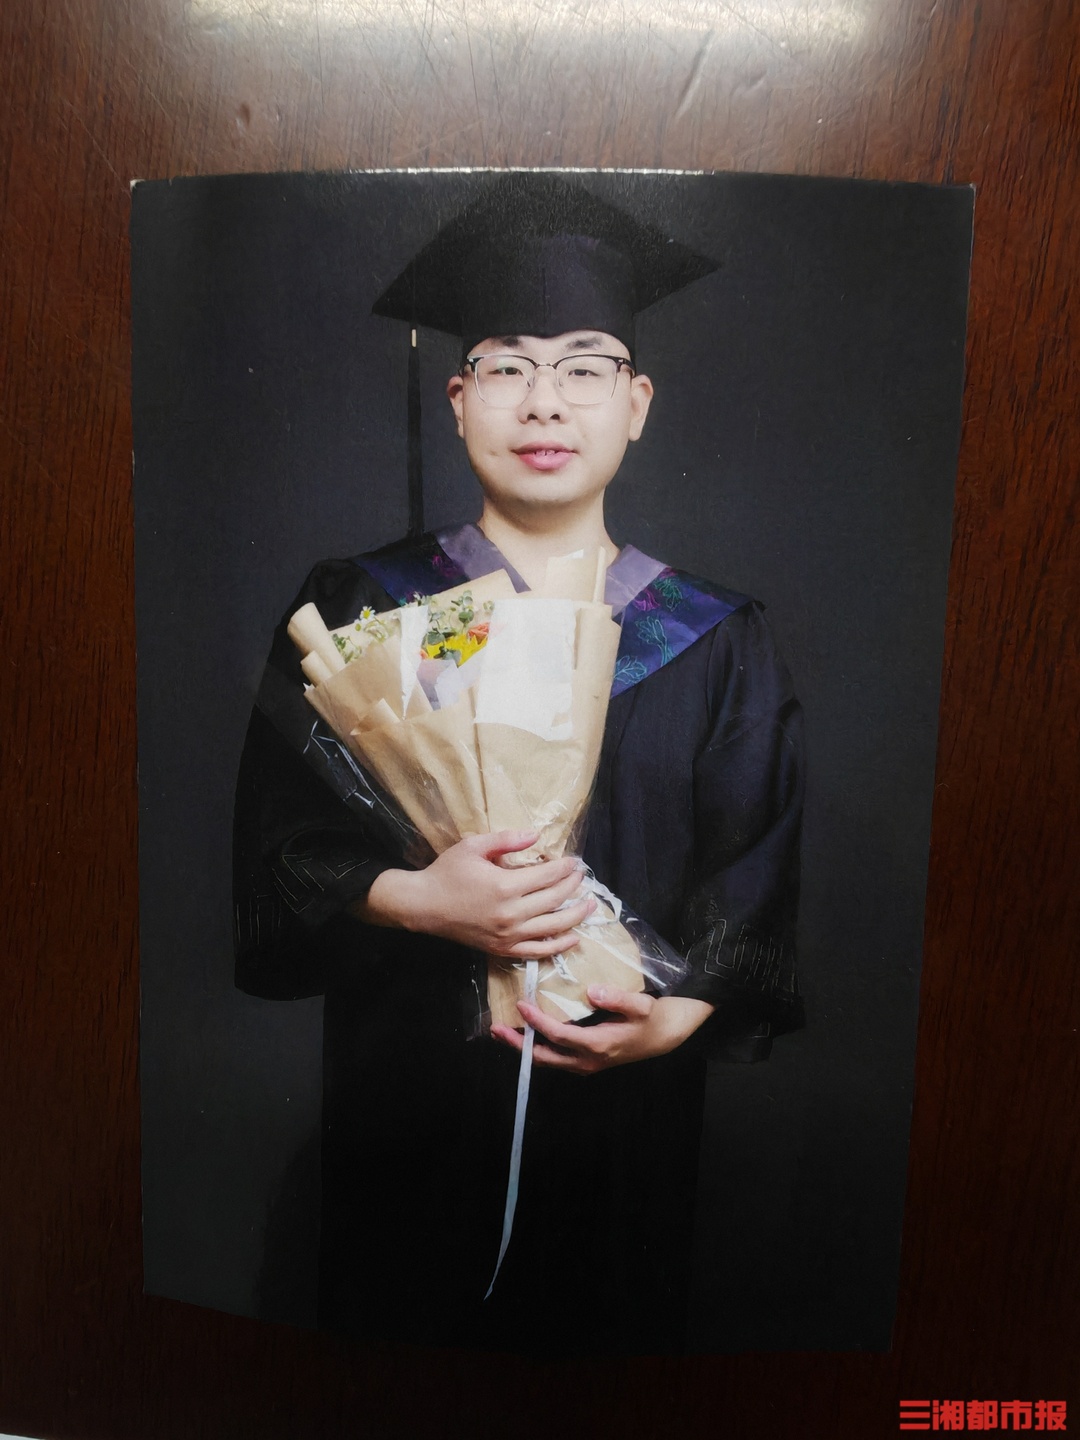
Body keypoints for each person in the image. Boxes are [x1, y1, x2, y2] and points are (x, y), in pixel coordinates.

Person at [233, 174, 804, 1356]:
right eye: (506, 367)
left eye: (585, 368)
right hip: (407, 1107)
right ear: (459, 400)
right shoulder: (367, 608)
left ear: (636, 404)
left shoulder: (712, 637)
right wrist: (418, 901)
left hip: (627, 1119)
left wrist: (677, 1017)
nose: (545, 400)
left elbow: (754, 863)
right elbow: (280, 841)